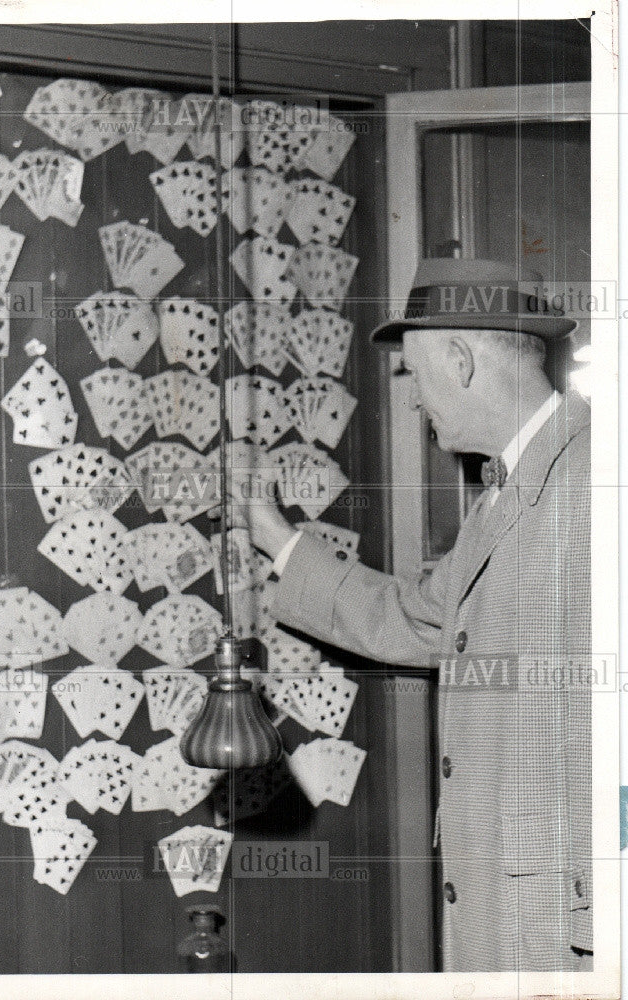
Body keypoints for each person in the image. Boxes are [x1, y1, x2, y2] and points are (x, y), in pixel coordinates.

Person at [230, 259, 592, 973]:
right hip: (512, 915)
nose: (416, 403)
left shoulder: (596, 477)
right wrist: (276, 538)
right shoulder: (504, 494)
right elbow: (419, 621)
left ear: (458, 361)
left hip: (568, 930)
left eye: (416, 378)